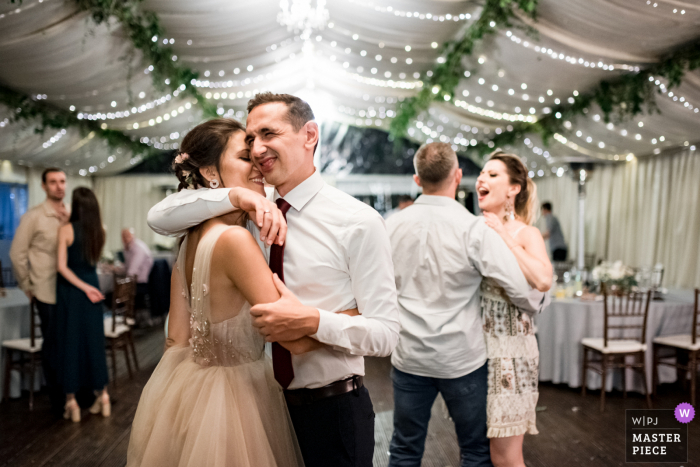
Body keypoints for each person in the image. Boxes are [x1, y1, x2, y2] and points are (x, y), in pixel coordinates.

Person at [147, 93, 400, 467]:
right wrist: (238, 196)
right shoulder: (247, 210)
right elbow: (161, 215)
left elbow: (386, 333)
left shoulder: (357, 221)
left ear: (309, 135)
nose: (258, 150)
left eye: (268, 134)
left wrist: (315, 320)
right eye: (250, 142)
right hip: (260, 406)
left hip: (332, 411)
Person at [128, 119, 316, 466]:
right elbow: (292, 337)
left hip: (191, 388)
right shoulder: (235, 240)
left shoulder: (188, 240)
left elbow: (176, 339)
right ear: (210, 172)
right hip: (239, 398)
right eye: (246, 157)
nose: (258, 164)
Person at [386, 143, 547, 467]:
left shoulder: (390, 225)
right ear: (457, 176)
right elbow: (520, 288)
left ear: (417, 180)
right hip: (462, 358)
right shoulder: (474, 228)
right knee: (475, 451)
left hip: (409, 356)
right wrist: (537, 301)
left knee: (404, 449)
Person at [476, 151, 552, 467]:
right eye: (482, 173)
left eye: (493, 175)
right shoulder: (474, 230)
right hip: (476, 353)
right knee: (480, 450)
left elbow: (543, 280)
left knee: (505, 456)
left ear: (513, 189)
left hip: (511, 354)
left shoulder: (526, 233)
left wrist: (505, 236)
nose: (482, 178)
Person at [9, 167, 69, 416]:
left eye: (62, 181)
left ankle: (73, 392)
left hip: (69, 289)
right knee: (53, 344)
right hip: (45, 289)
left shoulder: (71, 214)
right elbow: (16, 254)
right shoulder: (33, 216)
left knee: (68, 342)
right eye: (53, 182)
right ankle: (57, 399)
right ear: (43, 186)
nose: (59, 186)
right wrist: (27, 285)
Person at [55, 187, 110, 422]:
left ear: (75, 205)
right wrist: (89, 287)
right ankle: (104, 397)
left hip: (72, 292)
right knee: (95, 345)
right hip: (93, 288)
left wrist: (83, 288)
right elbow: (93, 261)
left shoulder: (66, 230)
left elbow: (61, 267)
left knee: (70, 346)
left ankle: (71, 402)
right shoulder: (101, 230)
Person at [120, 227, 154, 307]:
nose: (125, 238)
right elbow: (127, 267)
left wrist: (123, 286)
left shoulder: (138, 249)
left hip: (140, 284)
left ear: (133, 236)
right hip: (133, 281)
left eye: (127, 236)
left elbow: (132, 271)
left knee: (112, 293)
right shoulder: (127, 248)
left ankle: (126, 316)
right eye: (123, 236)